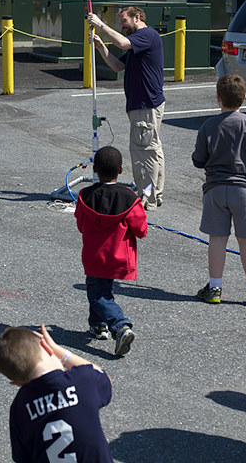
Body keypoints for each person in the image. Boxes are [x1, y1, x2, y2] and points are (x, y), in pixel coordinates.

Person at [192, 74, 246, 306]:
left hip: (216, 189)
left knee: (217, 238)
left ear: (218, 98)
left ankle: (214, 287)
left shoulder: (208, 126)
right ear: (245, 97)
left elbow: (198, 160)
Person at [0, 324, 114, 463]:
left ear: (16, 383)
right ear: (46, 346)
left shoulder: (19, 407)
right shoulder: (82, 380)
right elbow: (104, 378)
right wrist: (60, 352)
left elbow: (23, 458)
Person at [87, 6, 165, 210]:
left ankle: (147, 197)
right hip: (144, 104)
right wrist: (101, 47)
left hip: (145, 104)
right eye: (119, 22)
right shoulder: (137, 43)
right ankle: (154, 194)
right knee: (152, 149)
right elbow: (117, 66)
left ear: (137, 17)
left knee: (143, 152)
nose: (121, 25)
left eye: (123, 21)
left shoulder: (146, 35)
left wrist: (100, 24)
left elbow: (121, 43)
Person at [74, 146, 147, 356]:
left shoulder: (85, 195)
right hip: (119, 256)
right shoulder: (130, 197)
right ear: (121, 170)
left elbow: (81, 224)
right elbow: (141, 230)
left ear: (95, 170)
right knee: (102, 290)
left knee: (98, 295)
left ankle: (120, 326)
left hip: (95, 255)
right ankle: (97, 325)